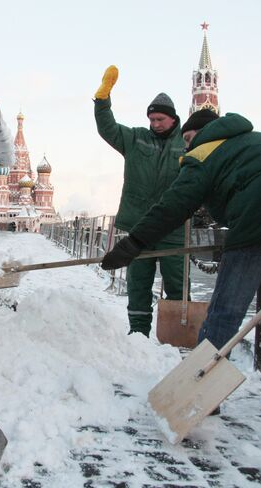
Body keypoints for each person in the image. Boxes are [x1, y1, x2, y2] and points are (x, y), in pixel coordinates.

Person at [101, 109, 261, 414]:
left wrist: (135, 242)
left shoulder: (204, 153)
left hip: (257, 220)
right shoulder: (255, 141)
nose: (187, 147)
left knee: (224, 311)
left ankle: (198, 395)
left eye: (188, 138)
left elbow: (174, 205)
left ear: (204, 134)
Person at [94, 65, 187, 337]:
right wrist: (102, 101)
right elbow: (107, 127)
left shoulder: (187, 142)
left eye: (160, 119)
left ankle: (179, 337)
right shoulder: (136, 138)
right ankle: (138, 337)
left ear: (173, 119)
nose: (155, 124)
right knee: (138, 285)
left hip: (174, 229)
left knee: (178, 286)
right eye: (152, 119)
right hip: (139, 226)